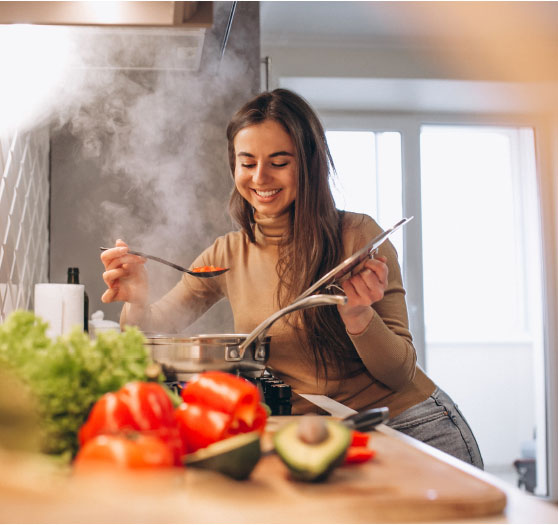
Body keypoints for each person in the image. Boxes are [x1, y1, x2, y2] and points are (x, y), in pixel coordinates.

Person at [100, 88, 484, 469]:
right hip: (319, 437)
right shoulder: (227, 254)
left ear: (309, 163)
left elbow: (400, 374)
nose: (259, 177)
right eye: (246, 162)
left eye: (279, 162)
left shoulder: (357, 236)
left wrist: (359, 317)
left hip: (408, 426)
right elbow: (148, 334)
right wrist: (136, 300)